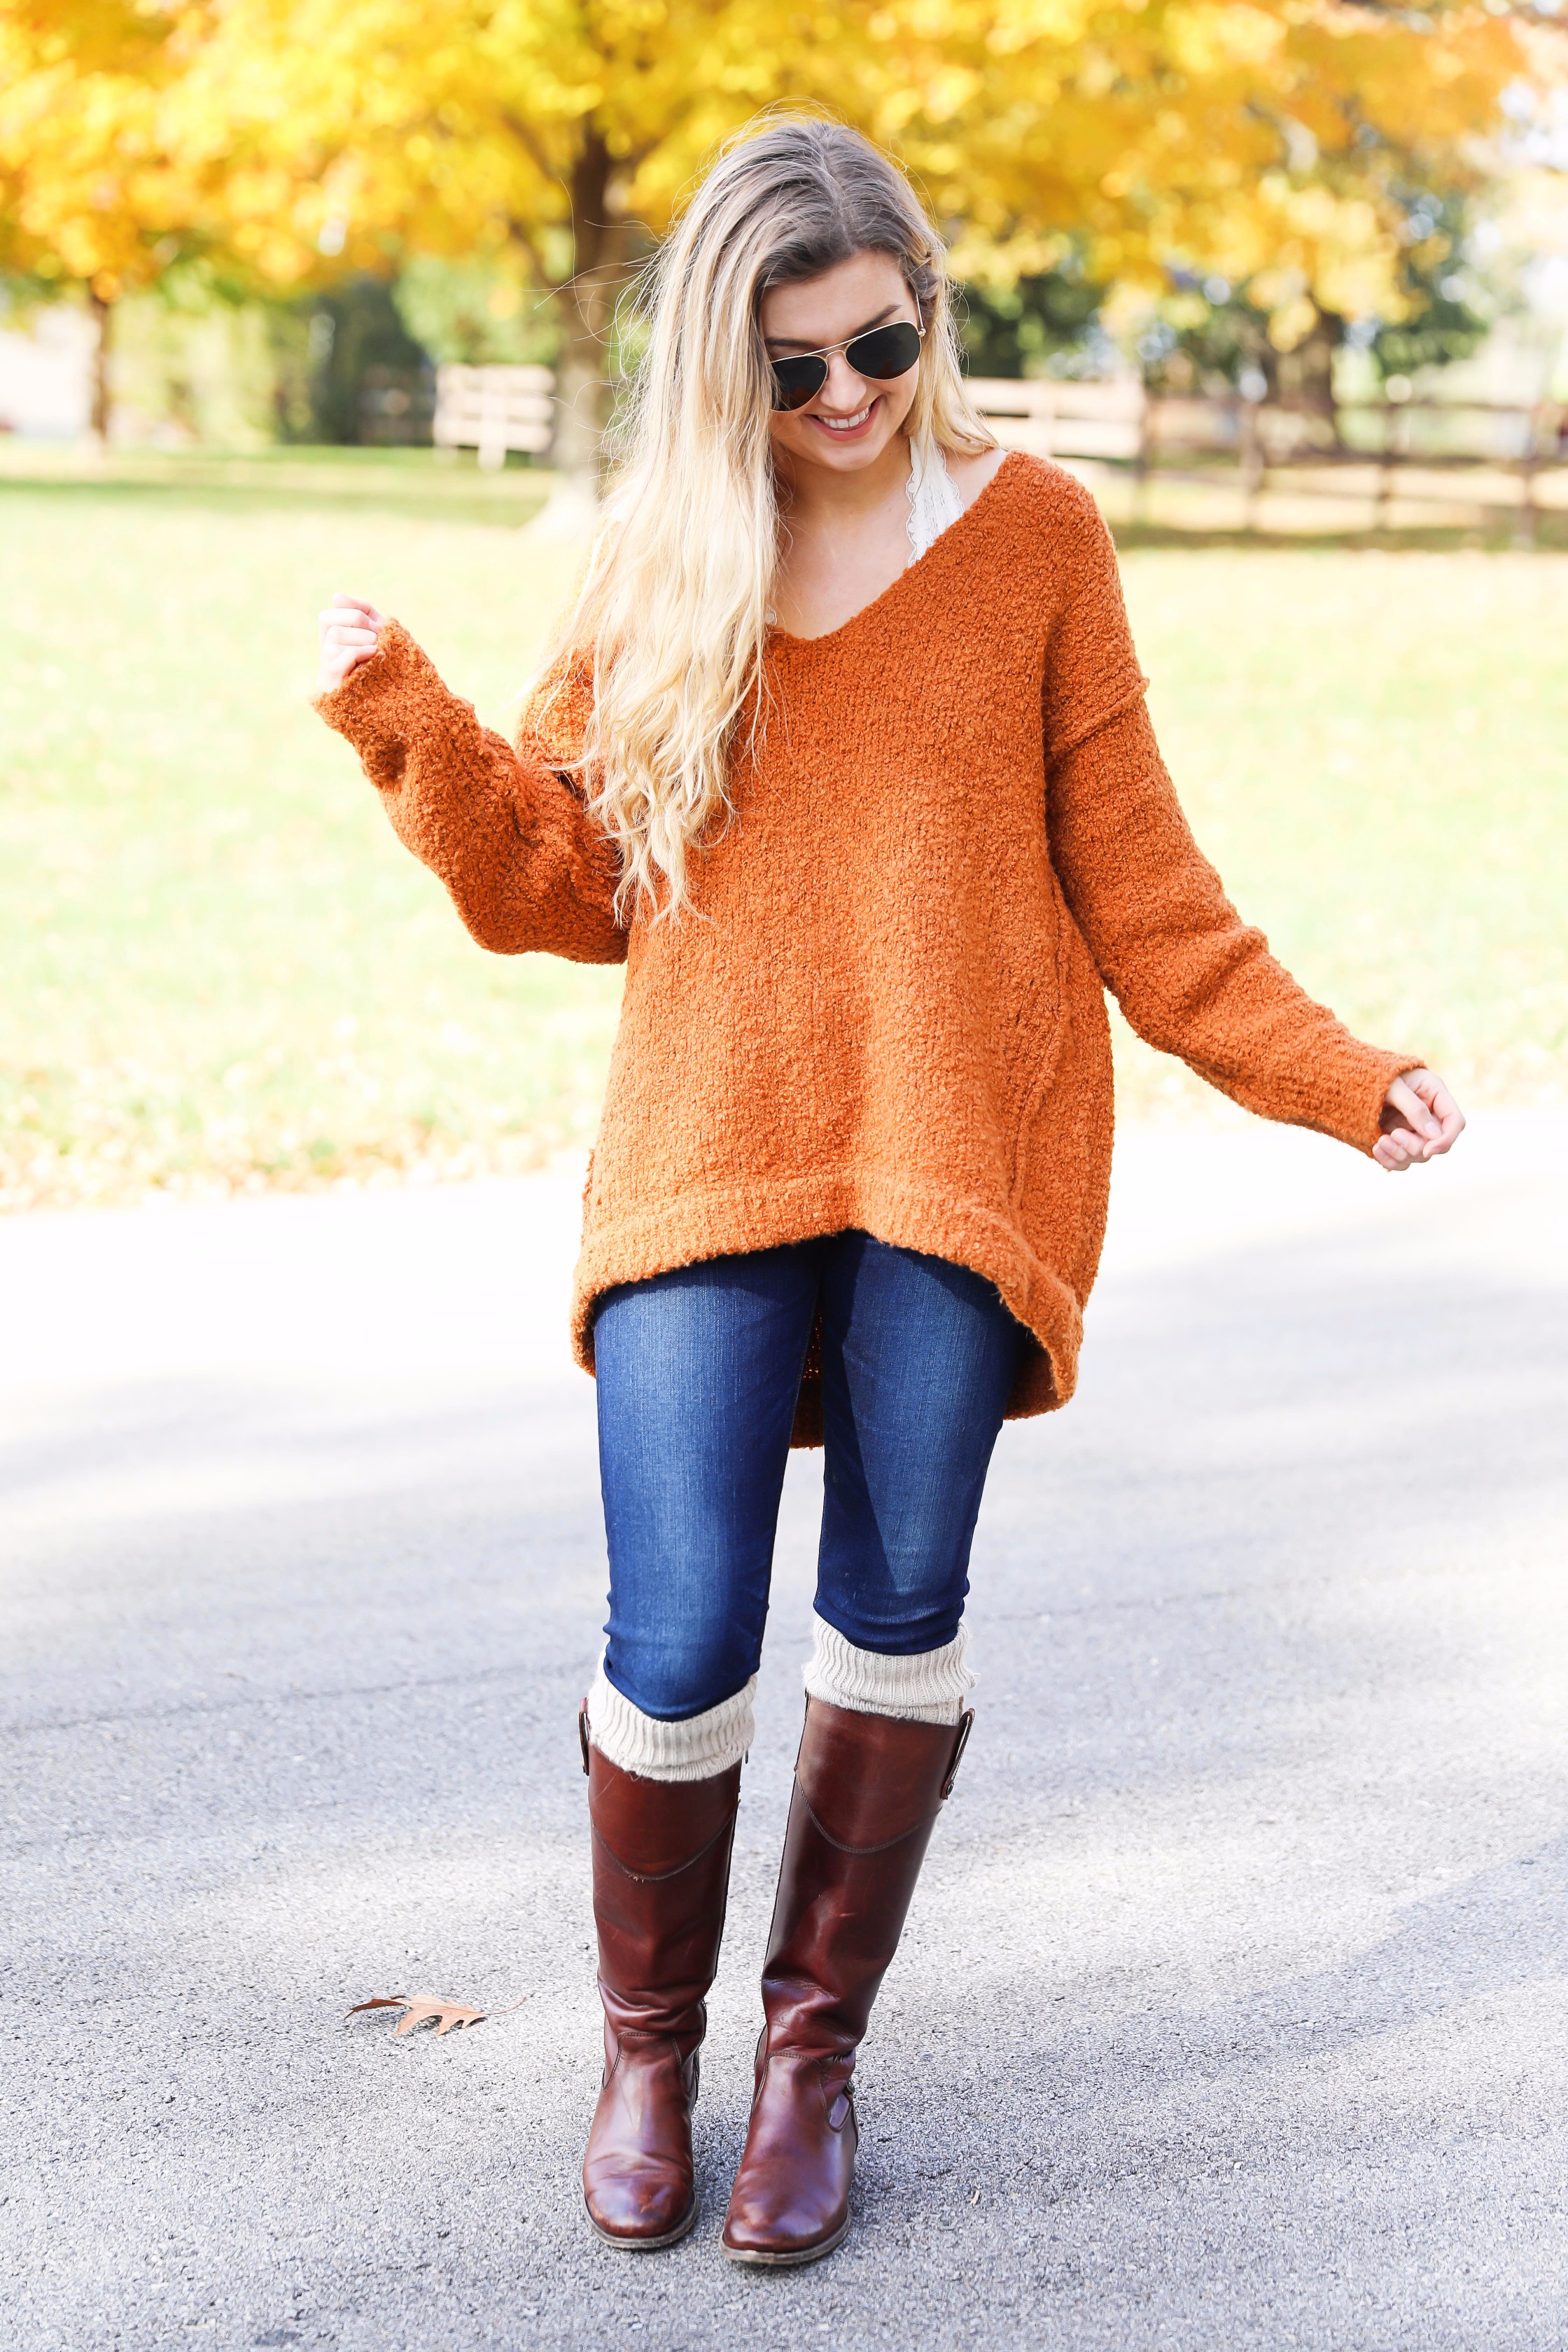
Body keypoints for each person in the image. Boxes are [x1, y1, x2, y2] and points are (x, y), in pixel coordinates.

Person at [312, 115, 1464, 2269]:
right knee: (672, 1644)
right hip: (707, 1148)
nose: (849, 400)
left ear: (928, 304)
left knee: (898, 1620)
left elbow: (1154, 897)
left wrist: (1341, 1078)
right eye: (796, 371)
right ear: (718, 378)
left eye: (883, 346)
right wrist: (406, 723)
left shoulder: (1039, 541)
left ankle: (810, 2060)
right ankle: (649, 2051)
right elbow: (564, 888)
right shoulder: (668, 557)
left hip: (958, 1155)